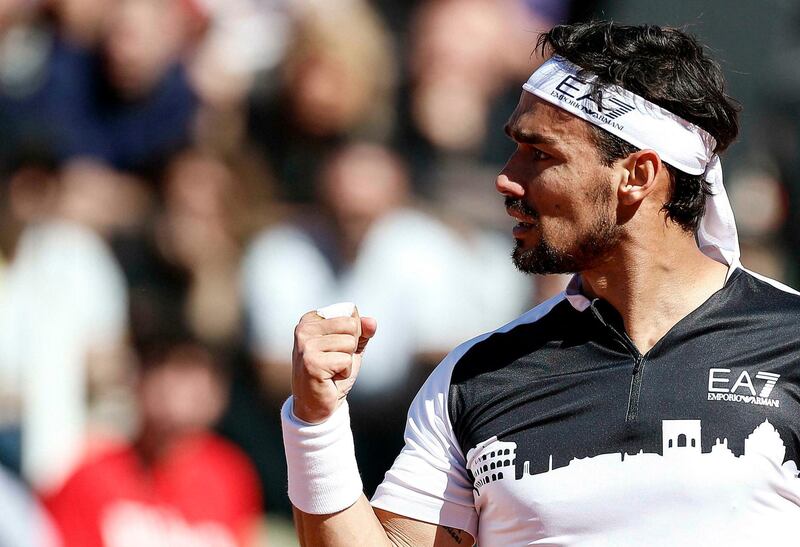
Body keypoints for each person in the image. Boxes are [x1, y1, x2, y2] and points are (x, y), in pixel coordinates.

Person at [282, 21, 800, 546]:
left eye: (541, 154)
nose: (506, 178)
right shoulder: (473, 378)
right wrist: (316, 424)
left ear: (638, 176)